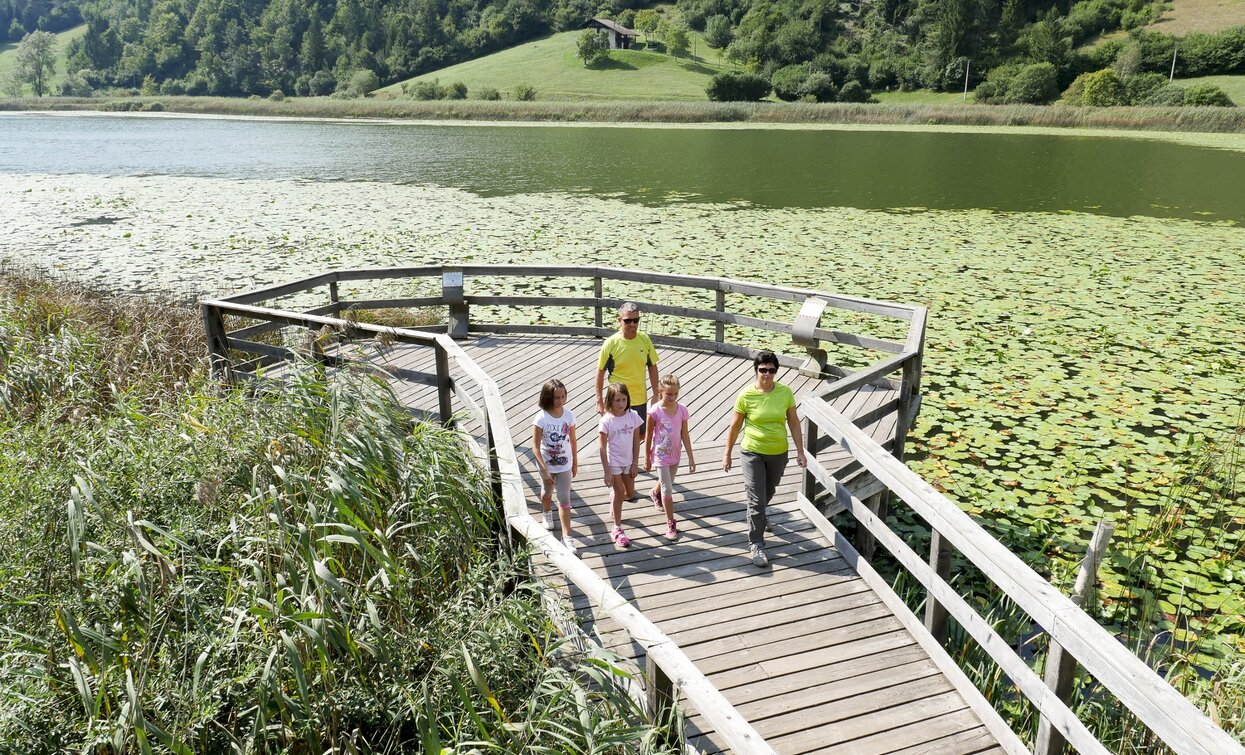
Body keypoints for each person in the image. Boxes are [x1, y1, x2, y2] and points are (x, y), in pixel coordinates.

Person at [722, 351, 806, 567]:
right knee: (757, 500)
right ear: (755, 370)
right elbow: (735, 426)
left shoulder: (785, 393)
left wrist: (800, 451)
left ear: (776, 371)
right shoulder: (746, 395)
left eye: (771, 370)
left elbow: (794, 422)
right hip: (752, 451)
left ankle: (758, 516)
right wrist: (727, 453)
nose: (767, 374)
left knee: (768, 492)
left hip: (778, 452)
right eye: (763, 370)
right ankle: (756, 543)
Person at [645, 374, 695, 541]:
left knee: (667, 482)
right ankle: (671, 523)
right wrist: (646, 457)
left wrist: (690, 456)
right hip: (660, 455)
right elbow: (648, 435)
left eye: (675, 394)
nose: (672, 397)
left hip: (675, 454)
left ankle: (654, 491)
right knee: (668, 489)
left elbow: (685, 434)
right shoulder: (654, 411)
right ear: (660, 391)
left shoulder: (682, 409)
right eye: (668, 394)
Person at [596, 302, 659, 434]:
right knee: (616, 435)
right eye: (627, 321)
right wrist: (599, 401)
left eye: (635, 320)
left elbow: (652, 366)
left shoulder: (645, 340)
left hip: (639, 397)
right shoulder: (610, 344)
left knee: (641, 435)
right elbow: (600, 372)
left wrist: (655, 393)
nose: (632, 324)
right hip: (617, 399)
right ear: (619, 321)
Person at [532, 378, 580, 552]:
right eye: (556, 397)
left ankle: (567, 536)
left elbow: (573, 440)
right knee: (547, 494)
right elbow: (535, 447)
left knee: (564, 499)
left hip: (565, 464)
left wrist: (575, 461)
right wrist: (544, 470)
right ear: (547, 397)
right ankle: (546, 511)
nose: (560, 401)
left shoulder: (569, 416)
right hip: (547, 465)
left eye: (563, 396)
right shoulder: (541, 418)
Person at [598, 383, 644, 548]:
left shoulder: (633, 416)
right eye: (617, 400)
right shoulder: (606, 421)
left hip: (628, 461)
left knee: (630, 494)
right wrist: (607, 471)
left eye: (624, 399)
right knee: (619, 494)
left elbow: (636, 441)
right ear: (610, 401)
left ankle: (614, 498)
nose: (621, 403)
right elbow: (602, 447)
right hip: (614, 463)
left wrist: (635, 463)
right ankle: (617, 528)